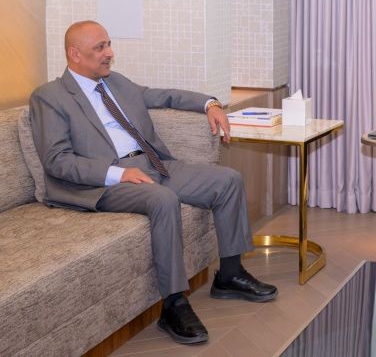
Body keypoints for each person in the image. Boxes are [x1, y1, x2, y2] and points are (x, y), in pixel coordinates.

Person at [29, 20, 277, 345]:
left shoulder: (115, 82)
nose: (109, 53)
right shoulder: (49, 97)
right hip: (103, 182)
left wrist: (210, 104)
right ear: (74, 54)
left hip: (152, 165)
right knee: (162, 198)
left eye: (108, 44)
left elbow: (163, 96)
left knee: (228, 180)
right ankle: (174, 305)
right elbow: (57, 160)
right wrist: (119, 174)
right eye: (100, 48)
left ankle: (229, 275)